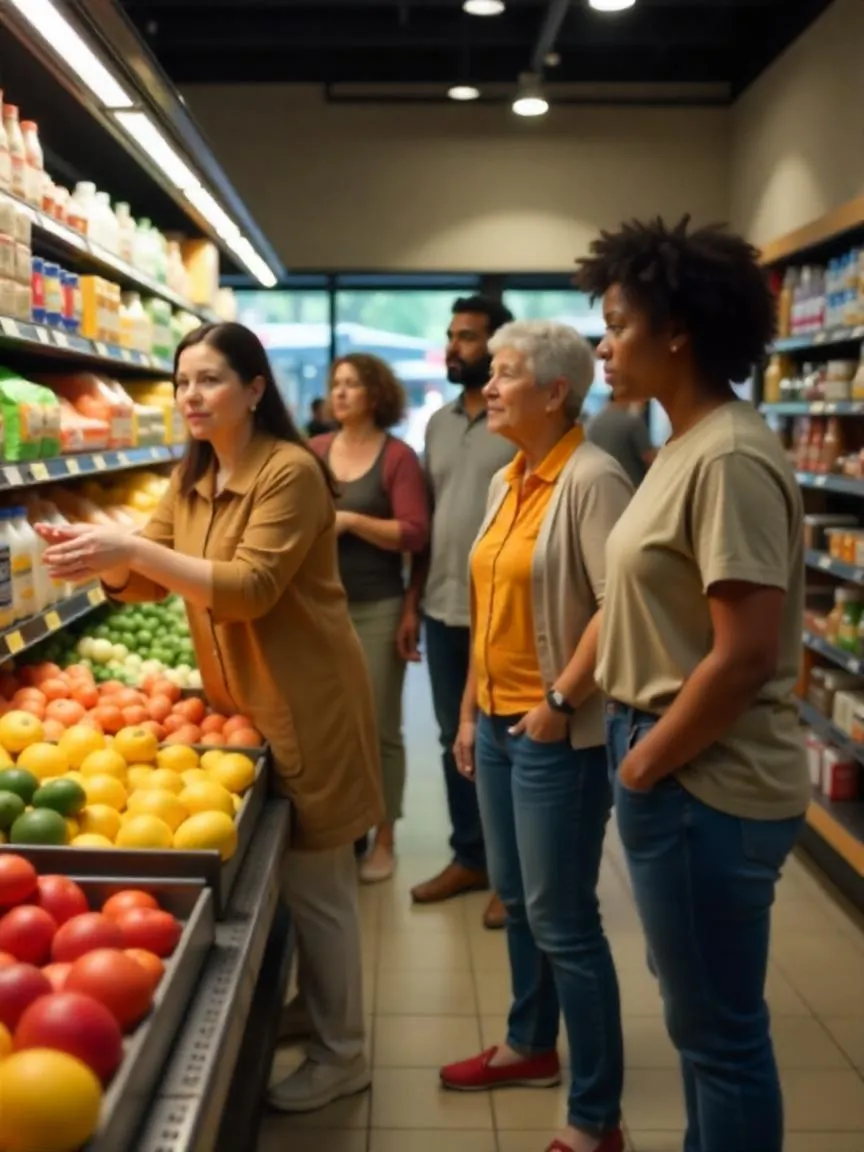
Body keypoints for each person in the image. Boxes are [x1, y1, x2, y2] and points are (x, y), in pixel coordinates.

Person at [36, 322, 384, 1114]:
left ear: (256, 389)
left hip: (307, 702)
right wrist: (103, 555)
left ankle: (346, 1053)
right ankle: (320, 1012)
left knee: (321, 885)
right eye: (183, 380)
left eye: (211, 379)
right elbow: (151, 580)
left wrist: (125, 546)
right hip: (241, 706)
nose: (191, 395)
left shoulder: (290, 473)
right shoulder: (192, 477)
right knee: (293, 886)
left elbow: (248, 586)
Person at [574, 216, 810, 1152]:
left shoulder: (731, 458)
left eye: (618, 323)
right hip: (676, 765)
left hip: (703, 779)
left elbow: (745, 651)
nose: (604, 343)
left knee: (722, 1038)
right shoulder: (682, 444)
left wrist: (644, 766)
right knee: (701, 1023)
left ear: (677, 330)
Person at [440, 320, 631, 1152]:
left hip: (558, 734)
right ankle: (528, 1045)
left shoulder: (594, 479)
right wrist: (471, 712)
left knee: (565, 921)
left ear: (556, 391)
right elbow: (490, 607)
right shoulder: (507, 477)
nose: (488, 385)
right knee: (518, 903)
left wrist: (558, 698)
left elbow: (618, 607)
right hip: (501, 726)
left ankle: (597, 1118)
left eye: (505, 373)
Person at [398, 294, 517, 930]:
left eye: (467, 337)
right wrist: (412, 602)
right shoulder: (439, 424)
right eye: (451, 336)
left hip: (505, 613)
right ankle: (469, 857)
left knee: (499, 745)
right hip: (444, 604)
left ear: (497, 346)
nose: (453, 347)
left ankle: (510, 876)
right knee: (454, 742)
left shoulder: (516, 420)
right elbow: (431, 520)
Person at [311, 353, 429, 883]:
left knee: (380, 726)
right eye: (336, 384)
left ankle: (384, 839)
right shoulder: (312, 451)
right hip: (318, 611)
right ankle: (339, 832)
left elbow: (413, 533)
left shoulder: (397, 457)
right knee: (327, 726)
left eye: (352, 385)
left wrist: (352, 520)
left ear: (376, 395)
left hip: (378, 607)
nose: (340, 393)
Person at [586, 394, 656, 487]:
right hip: (632, 489)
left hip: (603, 487)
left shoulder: (591, 423)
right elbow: (649, 459)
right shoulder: (633, 422)